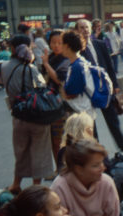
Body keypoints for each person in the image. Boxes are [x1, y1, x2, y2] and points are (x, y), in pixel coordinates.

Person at [1, 34, 54, 195]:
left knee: (21, 150)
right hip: (37, 116)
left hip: (18, 115)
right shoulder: (31, 68)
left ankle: (16, 183)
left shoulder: (4, 66)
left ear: (12, 48)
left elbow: (5, 85)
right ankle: (36, 186)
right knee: (40, 150)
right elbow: (42, 86)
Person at [76, 19, 123, 150]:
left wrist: (115, 85)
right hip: (87, 90)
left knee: (112, 117)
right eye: (81, 28)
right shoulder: (76, 50)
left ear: (90, 29)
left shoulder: (100, 44)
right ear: (77, 30)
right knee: (91, 121)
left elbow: (109, 66)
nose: (85, 30)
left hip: (103, 87)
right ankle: (96, 147)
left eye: (87, 27)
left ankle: (122, 144)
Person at [42, 30, 71, 171]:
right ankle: (59, 168)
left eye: (60, 42)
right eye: (54, 42)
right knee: (54, 140)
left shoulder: (66, 59)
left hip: (62, 106)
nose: (56, 45)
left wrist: (46, 65)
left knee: (62, 139)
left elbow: (59, 79)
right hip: (50, 104)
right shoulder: (51, 57)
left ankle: (65, 168)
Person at [62, 30, 97, 121]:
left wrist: (63, 91)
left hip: (81, 112)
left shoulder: (77, 66)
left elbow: (71, 93)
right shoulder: (81, 62)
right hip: (85, 109)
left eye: (61, 43)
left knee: (83, 135)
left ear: (67, 46)